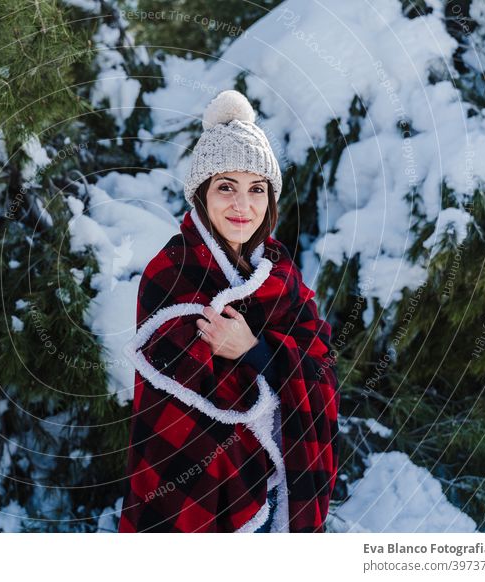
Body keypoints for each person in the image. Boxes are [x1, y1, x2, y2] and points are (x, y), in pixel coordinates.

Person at [118, 89, 340, 533]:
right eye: (226, 187)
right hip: (190, 488)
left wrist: (253, 351)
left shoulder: (280, 272)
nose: (243, 205)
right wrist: (256, 364)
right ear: (202, 193)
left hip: (274, 488)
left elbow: (321, 365)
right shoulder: (173, 270)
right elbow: (188, 390)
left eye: (256, 189)